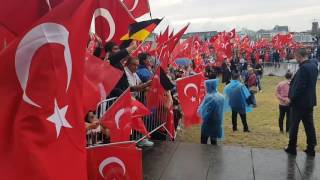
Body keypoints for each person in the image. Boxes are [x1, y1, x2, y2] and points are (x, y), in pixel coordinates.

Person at [285, 48, 319, 157]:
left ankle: (291, 147)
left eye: (296, 56)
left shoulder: (304, 68)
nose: (295, 58)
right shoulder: (314, 66)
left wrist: (291, 98)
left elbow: (301, 87)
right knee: (309, 125)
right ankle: (311, 148)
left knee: (294, 125)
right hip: (309, 101)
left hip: (299, 103)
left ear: (299, 56)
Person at [198, 79, 225, 145]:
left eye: (206, 86)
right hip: (217, 121)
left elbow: (205, 112)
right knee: (214, 141)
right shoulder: (221, 96)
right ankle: (214, 154)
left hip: (208, 123)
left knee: (204, 140)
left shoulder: (209, 97)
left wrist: (200, 112)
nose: (206, 88)